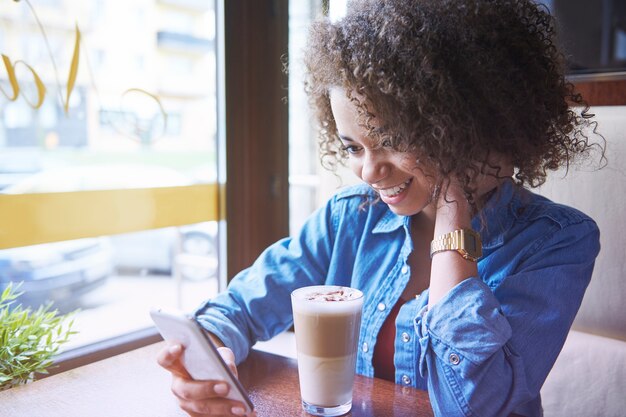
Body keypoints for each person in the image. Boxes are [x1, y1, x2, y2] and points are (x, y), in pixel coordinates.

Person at [157, 0, 605, 416]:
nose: (368, 172)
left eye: (392, 141)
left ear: (468, 127)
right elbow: (239, 305)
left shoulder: (557, 240)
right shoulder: (350, 217)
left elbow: (476, 403)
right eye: (353, 146)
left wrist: (453, 209)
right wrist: (210, 353)